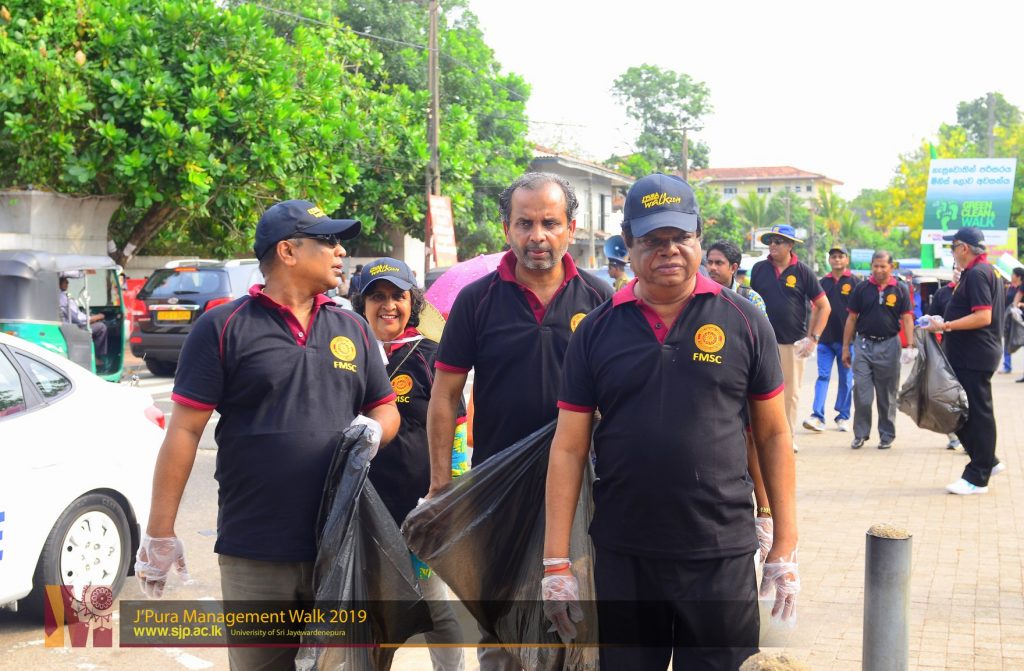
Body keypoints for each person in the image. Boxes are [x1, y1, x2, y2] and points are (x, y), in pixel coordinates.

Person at [542, 173, 798, 669]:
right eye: (652, 240)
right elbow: (569, 447)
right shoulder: (596, 330)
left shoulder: (745, 321)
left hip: (720, 551)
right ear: (628, 242)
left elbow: (771, 435)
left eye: (681, 237)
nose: (669, 251)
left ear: (699, 235)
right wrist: (556, 562)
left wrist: (783, 545)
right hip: (625, 553)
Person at [134, 199, 400, 671]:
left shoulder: (352, 327)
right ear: (288, 251)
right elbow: (185, 431)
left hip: (338, 546)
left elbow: (384, 406)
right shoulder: (223, 327)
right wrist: (159, 531)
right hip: (254, 550)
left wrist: (376, 430)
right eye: (329, 241)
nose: (341, 252)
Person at [426, 172, 612, 671]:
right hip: (499, 491)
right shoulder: (477, 300)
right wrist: (441, 487)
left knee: (578, 620)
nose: (537, 236)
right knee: (502, 626)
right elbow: (444, 395)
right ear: (506, 228)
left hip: (584, 490)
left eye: (550, 223)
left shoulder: (600, 299)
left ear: (571, 228)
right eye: (525, 223)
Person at [351, 258, 466, 671]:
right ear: (361, 304)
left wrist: (447, 501)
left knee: (435, 611)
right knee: (373, 614)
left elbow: (457, 434)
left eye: (398, 296)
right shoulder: (348, 354)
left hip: (418, 510)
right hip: (361, 511)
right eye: (377, 297)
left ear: (412, 303)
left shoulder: (429, 355)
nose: (388, 306)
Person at [705, 239, 774, 564]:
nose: (712, 268)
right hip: (712, 383)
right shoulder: (701, 298)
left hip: (744, 380)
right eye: (710, 262)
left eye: (719, 263)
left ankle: (764, 509)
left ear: (734, 268)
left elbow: (759, 344)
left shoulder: (750, 299)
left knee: (754, 442)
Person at [922, 228, 1006, 494]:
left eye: (953, 247)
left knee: (976, 414)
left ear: (964, 248)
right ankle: (988, 460)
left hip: (975, 355)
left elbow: (983, 316)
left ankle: (978, 476)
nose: (952, 253)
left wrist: (946, 326)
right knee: (960, 410)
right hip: (969, 354)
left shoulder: (979, 273)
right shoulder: (981, 272)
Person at [749, 224, 831, 452]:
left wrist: (813, 338)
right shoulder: (759, 269)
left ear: (790, 245)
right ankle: (759, 435)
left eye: (778, 241)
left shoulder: (803, 271)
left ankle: (786, 437)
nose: (773, 245)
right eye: (770, 241)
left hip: (792, 343)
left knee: (790, 393)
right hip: (762, 340)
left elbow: (824, 306)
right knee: (758, 389)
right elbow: (750, 301)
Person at [841, 250, 915, 450]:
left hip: (889, 345)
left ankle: (886, 435)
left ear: (891, 267)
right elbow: (851, 318)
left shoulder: (900, 289)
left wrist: (910, 346)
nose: (879, 270)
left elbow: (907, 318)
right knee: (862, 393)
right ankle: (860, 434)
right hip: (863, 345)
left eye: (883, 266)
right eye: (875, 266)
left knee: (887, 395)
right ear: (871, 266)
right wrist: (846, 347)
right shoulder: (861, 288)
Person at [803, 246, 859, 433]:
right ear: (829, 260)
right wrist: (810, 336)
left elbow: (858, 314)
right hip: (825, 340)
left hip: (847, 342)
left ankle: (843, 416)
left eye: (840, 256)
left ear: (846, 259)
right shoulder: (822, 283)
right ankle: (817, 416)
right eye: (833, 256)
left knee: (846, 379)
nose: (837, 259)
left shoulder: (855, 282)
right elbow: (815, 310)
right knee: (823, 376)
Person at [926, 267, 962, 450]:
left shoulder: (975, 290)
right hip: (947, 349)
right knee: (946, 393)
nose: (959, 272)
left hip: (972, 351)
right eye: (956, 268)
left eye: (962, 269)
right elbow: (930, 318)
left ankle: (969, 437)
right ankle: (953, 435)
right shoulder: (943, 293)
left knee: (968, 395)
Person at [58, 275, 108, 357]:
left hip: (70, 326)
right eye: (65, 281)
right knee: (101, 327)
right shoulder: (62, 298)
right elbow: (78, 319)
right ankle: (97, 357)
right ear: (59, 283)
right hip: (73, 328)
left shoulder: (61, 296)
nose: (67, 282)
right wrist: (96, 317)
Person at [1000, 267, 1024, 373]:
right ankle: (1007, 365)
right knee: (1007, 339)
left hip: (1020, 319)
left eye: (1013, 274)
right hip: (1010, 319)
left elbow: (1017, 300)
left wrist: (1020, 304)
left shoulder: (1021, 288)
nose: (1011, 276)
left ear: (1018, 276)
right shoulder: (1010, 288)